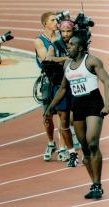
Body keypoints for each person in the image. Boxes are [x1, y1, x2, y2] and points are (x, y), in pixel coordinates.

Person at [45, 35, 109, 199]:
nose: (68, 46)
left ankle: (98, 185)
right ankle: (94, 183)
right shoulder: (67, 64)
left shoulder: (92, 61)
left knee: (93, 142)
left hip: (93, 102)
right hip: (78, 105)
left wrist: (107, 104)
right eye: (68, 44)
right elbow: (63, 89)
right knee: (85, 147)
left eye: (72, 44)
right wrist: (50, 107)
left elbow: (106, 82)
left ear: (80, 47)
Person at [44, 19, 79, 167]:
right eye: (63, 31)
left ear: (73, 31)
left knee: (76, 118)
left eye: (68, 31)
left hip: (77, 84)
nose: (65, 34)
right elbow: (48, 58)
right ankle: (67, 150)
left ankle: (76, 144)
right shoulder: (55, 45)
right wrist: (65, 59)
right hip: (59, 85)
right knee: (63, 117)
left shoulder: (78, 44)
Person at [34, 11, 66, 161]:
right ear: (45, 23)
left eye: (57, 20)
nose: (56, 22)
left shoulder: (62, 37)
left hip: (62, 79)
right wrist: (64, 57)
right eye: (53, 20)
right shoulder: (39, 41)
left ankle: (63, 146)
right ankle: (50, 142)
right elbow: (47, 59)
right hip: (48, 79)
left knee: (62, 113)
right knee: (47, 115)